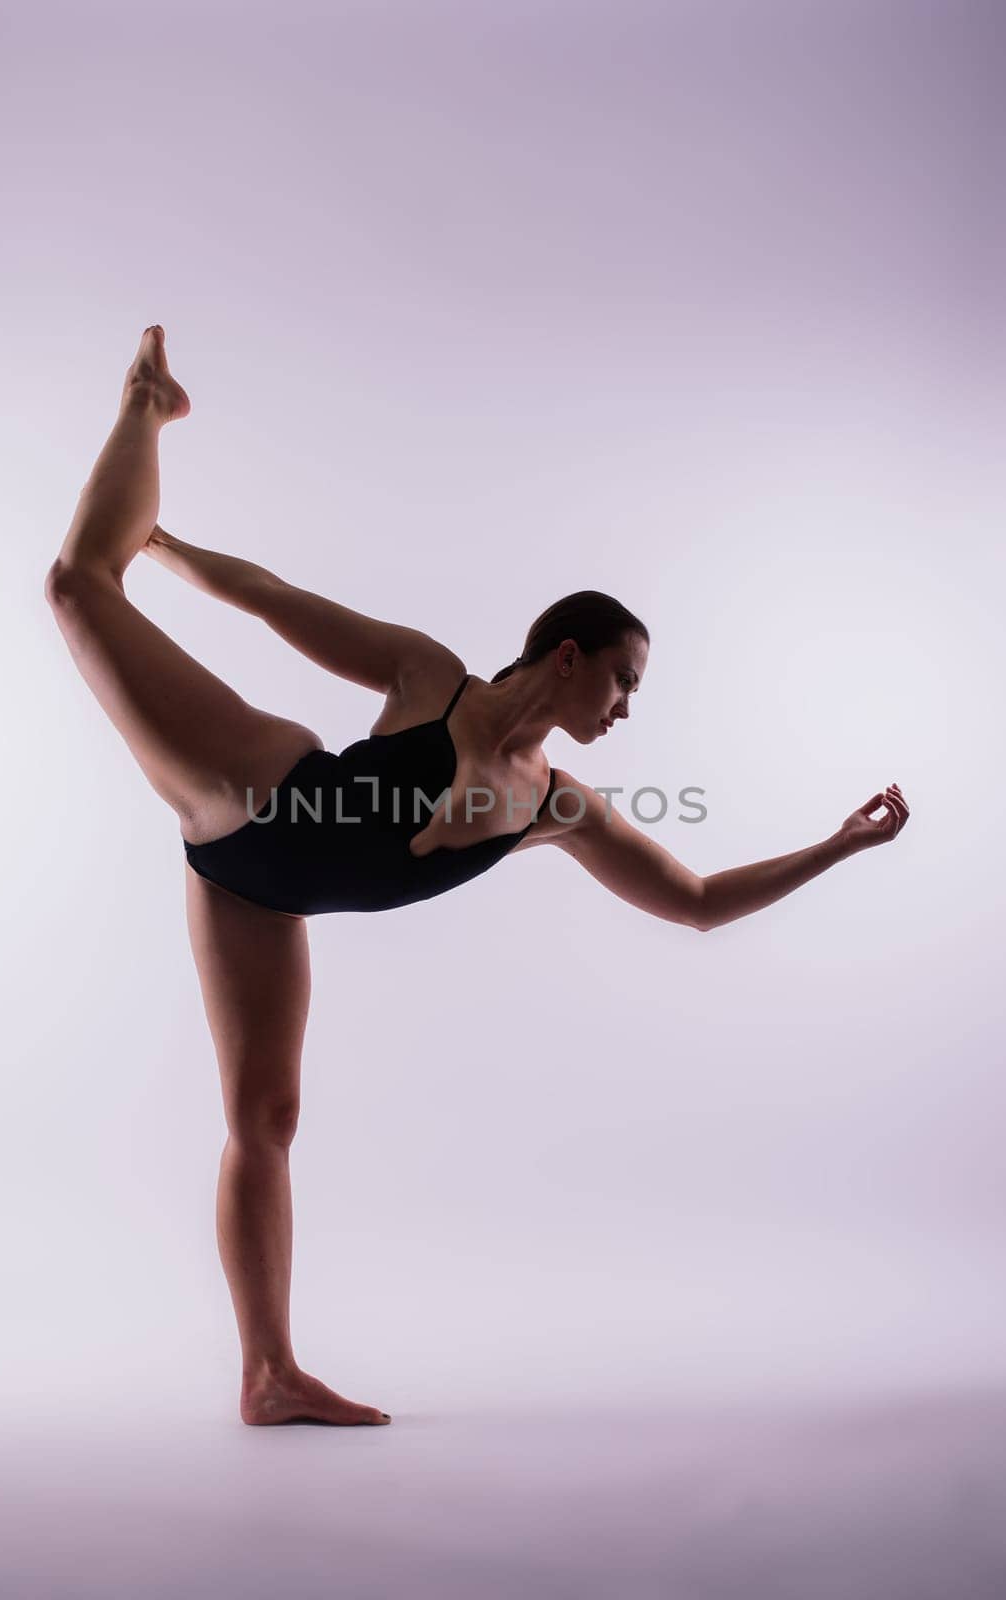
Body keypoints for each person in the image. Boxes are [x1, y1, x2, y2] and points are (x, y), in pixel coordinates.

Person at [44, 326, 910, 1428]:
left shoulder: (558, 808)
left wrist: (834, 846)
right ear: (567, 657)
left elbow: (693, 904)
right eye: (621, 680)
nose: (625, 707)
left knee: (265, 1115)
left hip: (256, 889)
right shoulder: (430, 676)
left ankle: (267, 1375)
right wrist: (160, 545)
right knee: (82, 585)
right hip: (253, 790)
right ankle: (145, 407)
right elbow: (271, 598)